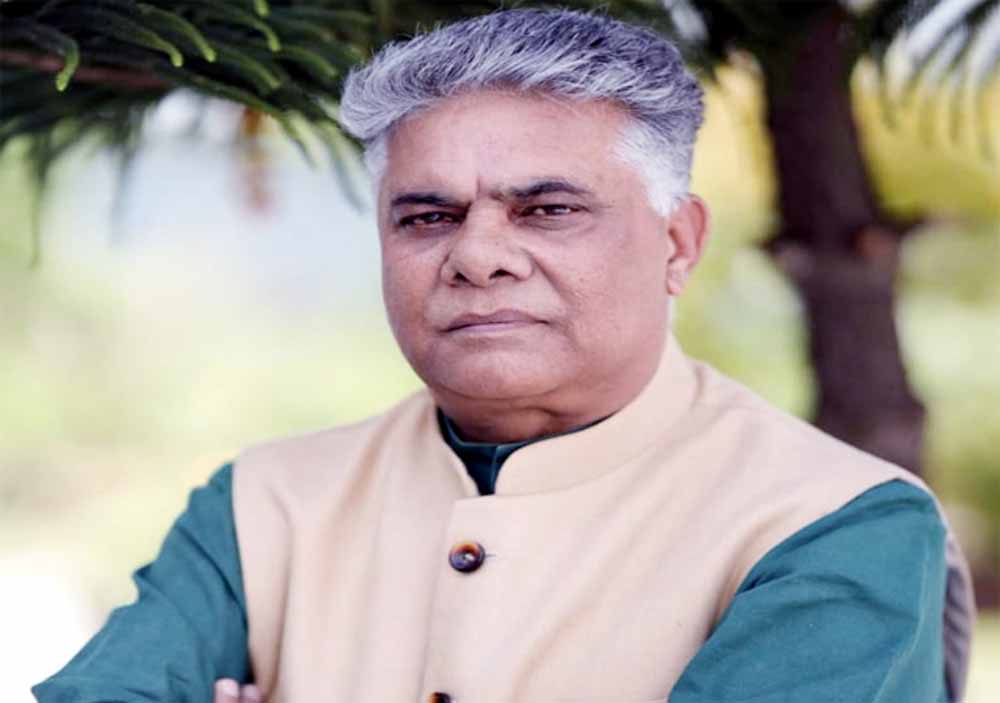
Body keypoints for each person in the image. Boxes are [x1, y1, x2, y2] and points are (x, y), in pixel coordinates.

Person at [33, 9, 975, 703]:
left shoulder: (832, 523)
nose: (477, 255)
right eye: (427, 216)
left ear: (677, 242)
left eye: (548, 209)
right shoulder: (264, 504)